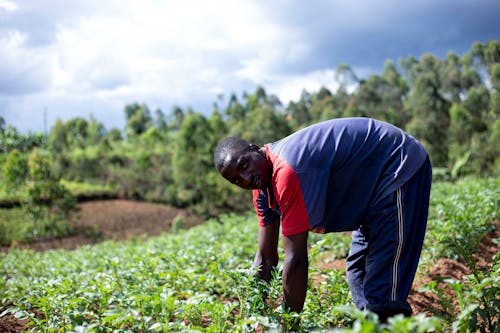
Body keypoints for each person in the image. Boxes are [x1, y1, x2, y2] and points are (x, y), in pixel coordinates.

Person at [213, 117, 432, 322]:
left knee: (383, 293)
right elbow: (265, 257)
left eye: (243, 165)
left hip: (397, 165)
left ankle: (385, 322)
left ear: (254, 149)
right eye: (236, 180)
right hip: (369, 194)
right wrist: (254, 316)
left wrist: (288, 325)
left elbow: (296, 259)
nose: (245, 178)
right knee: (359, 273)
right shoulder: (261, 188)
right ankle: (375, 323)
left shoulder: (286, 171)